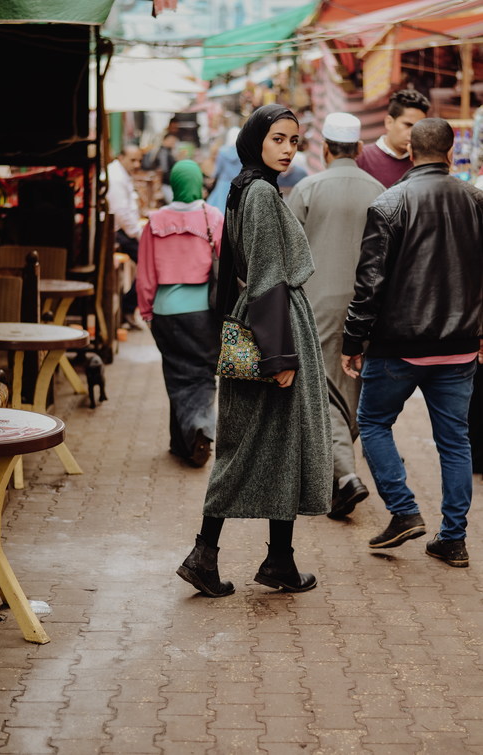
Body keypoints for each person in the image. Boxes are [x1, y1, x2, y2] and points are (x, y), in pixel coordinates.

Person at [176, 104, 333, 597]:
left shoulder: (245, 186)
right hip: (275, 330)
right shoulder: (261, 192)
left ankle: (278, 560)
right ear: (255, 141)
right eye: (278, 139)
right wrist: (280, 357)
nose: (288, 149)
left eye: (294, 140)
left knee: (270, 445)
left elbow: (236, 272)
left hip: (264, 326)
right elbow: (266, 277)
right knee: (251, 447)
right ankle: (209, 554)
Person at [341, 117, 483, 568]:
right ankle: (453, 538)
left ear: (411, 149)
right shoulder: (477, 201)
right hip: (460, 344)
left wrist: (353, 339)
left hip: (399, 344)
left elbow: (370, 284)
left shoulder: (389, 202)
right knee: (455, 441)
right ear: (450, 149)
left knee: (374, 423)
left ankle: (403, 511)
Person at [288, 112, 384, 519]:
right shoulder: (381, 191)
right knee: (353, 390)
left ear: (324, 149)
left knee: (324, 390)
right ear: (360, 149)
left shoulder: (307, 188)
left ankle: (345, 476)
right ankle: (337, 474)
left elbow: (289, 254)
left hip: (318, 305)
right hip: (369, 307)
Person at [137, 160, 224, 467]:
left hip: (166, 312)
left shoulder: (155, 221)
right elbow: (226, 267)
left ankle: (185, 441)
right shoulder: (212, 217)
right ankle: (198, 429)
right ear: (199, 182)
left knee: (176, 375)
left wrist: (146, 311)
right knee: (200, 374)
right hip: (202, 313)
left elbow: (145, 273)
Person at [356, 89, 430, 188]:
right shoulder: (362, 157)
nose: (413, 133)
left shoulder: (423, 162)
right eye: (407, 125)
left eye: (418, 127)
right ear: (389, 122)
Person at [107, 145, 145, 330]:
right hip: (117, 233)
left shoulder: (121, 173)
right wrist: (138, 234)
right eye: (133, 160)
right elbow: (120, 212)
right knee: (149, 265)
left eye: (139, 160)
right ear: (121, 157)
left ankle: (128, 306)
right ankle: (127, 306)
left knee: (148, 264)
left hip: (124, 231)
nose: (137, 164)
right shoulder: (115, 176)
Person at [207, 127, 242, 213]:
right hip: (238, 184)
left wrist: (212, 177)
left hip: (223, 183)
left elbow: (218, 169)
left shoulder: (222, 151)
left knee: (220, 207)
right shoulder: (242, 151)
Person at [143, 132, 178, 204]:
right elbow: (163, 169)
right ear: (165, 140)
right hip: (164, 183)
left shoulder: (166, 151)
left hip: (165, 183)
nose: (173, 143)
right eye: (171, 141)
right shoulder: (163, 152)